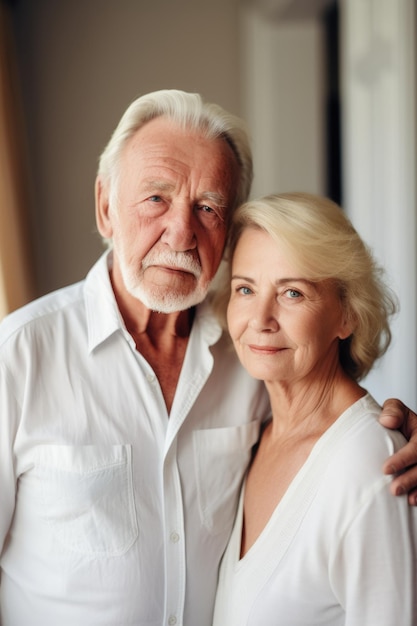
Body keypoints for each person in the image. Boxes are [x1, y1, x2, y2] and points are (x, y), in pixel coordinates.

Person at [0, 90, 415, 626]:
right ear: (106, 207)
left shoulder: (250, 359)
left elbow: (336, 443)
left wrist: (391, 437)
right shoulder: (19, 356)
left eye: (208, 208)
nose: (181, 232)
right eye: (156, 198)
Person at [212, 192, 417, 626]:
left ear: (347, 315)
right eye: (245, 288)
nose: (261, 318)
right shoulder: (253, 431)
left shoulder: (370, 464)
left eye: (292, 293)